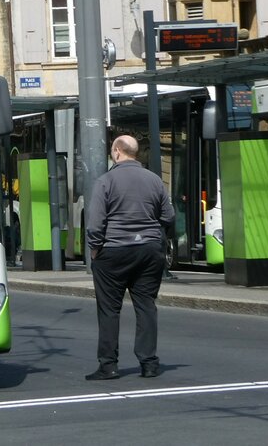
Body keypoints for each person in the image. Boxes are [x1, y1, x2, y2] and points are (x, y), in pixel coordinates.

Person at [84, 135, 175, 381]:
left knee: (109, 310)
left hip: (113, 252)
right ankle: (149, 363)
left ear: (116, 151)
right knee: (146, 305)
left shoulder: (106, 181)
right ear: (135, 153)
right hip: (148, 250)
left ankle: (108, 365)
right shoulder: (155, 180)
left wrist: (95, 250)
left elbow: (95, 223)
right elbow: (168, 216)